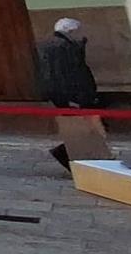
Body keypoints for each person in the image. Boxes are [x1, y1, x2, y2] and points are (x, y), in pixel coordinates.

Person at [35, 17, 101, 172]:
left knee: (79, 127)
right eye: (78, 31)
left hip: (59, 93)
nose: (81, 34)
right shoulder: (65, 47)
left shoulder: (48, 45)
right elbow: (72, 73)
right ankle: (68, 154)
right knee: (85, 128)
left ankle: (78, 156)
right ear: (71, 31)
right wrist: (79, 96)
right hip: (71, 93)